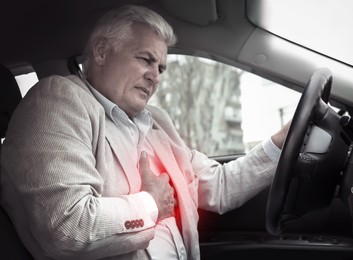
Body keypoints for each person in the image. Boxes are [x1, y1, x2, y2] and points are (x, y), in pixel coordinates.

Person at [0, 4, 290, 260]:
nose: (155, 76)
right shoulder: (58, 100)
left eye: (161, 67)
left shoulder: (155, 122)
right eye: (145, 60)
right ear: (102, 52)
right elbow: (67, 227)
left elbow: (221, 186)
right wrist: (151, 204)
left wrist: (283, 141)